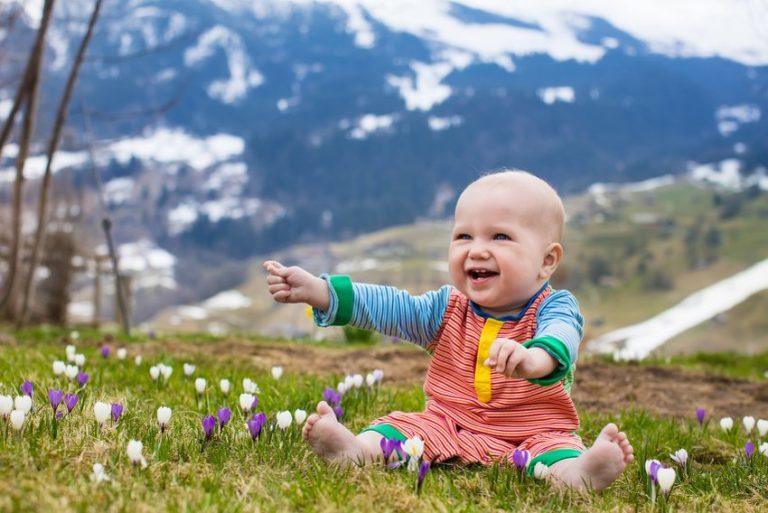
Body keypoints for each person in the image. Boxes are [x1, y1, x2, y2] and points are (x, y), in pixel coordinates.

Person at [263, 170, 633, 491]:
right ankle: (359, 452)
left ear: (547, 260)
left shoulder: (554, 307)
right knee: (400, 428)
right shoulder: (447, 308)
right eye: (464, 236)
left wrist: (534, 358)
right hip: (449, 423)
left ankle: (578, 474)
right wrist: (322, 293)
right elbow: (390, 307)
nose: (477, 250)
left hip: (533, 433)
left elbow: (562, 337)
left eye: (500, 237)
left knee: (555, 454)